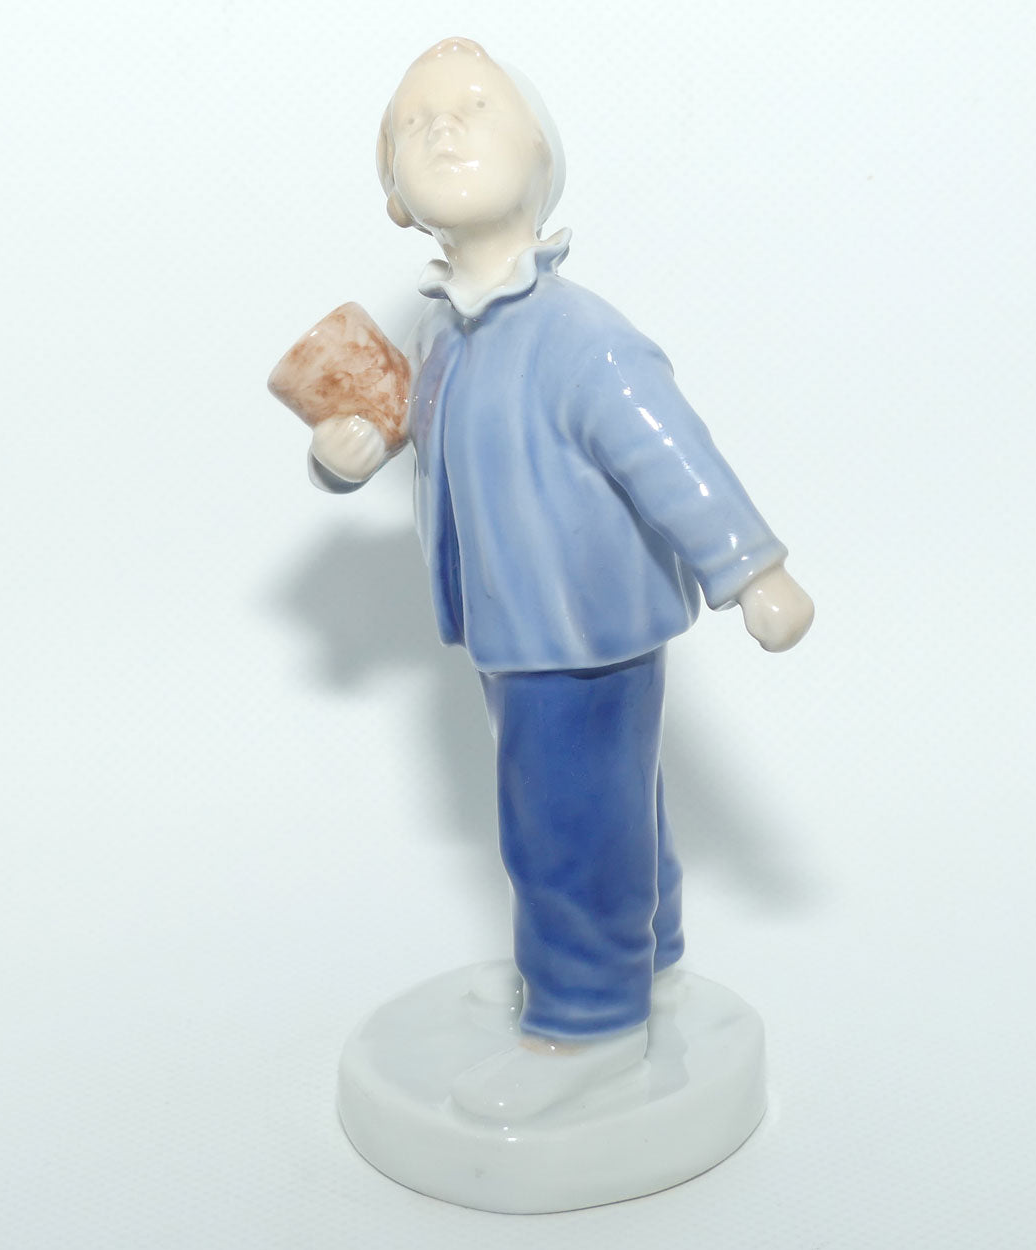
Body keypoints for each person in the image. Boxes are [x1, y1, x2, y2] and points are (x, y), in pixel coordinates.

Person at [309, 37, 814, 1121]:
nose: (443, 127)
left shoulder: (580, 338)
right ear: (394, 195)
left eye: (475, 107)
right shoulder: (443, 334)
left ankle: (587, 1018)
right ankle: (645, 960)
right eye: (413, 122)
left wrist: (753, 570)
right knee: (611, 800)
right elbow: (397, 427)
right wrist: (348, 450)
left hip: (577, 630)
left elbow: (671, 453)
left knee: (560, 822)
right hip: (513, 628)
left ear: (543, 158)